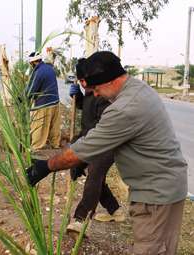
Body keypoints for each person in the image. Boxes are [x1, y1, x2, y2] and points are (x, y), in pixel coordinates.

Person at [26, 51, 188, 255]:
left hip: (157, 195)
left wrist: (46, 166)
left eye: (96, 88)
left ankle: (83, 217)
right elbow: (95, 140)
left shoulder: (124, 108)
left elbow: (87, 146)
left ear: (110, 81)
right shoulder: (137, 89)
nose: (94, 94)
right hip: (165, 187)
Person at [66, 58, 124, 234]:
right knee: (94, 178)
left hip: (106, 143)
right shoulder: (91, 92)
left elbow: (101, 127)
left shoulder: (104, 94)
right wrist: (78, 98)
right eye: (79, 82)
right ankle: (115, 210)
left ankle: (80, 220)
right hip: (90, 140)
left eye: (84, 81)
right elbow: (88, 110)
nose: (83, 84)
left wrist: (80, 144)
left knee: (95, 175)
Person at [27, 52, 61, 151]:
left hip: (44, 104)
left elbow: (31, 90)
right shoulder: (50, 68)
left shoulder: (38, 72)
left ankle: (36, 147)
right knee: (54, 126)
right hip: (55, 102)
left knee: (39, 126)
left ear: (33, 62)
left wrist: (22, 99)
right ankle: (55, 144)